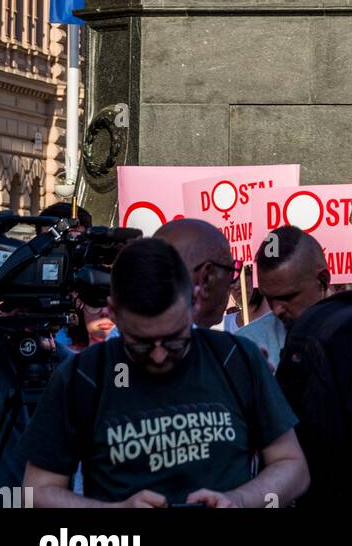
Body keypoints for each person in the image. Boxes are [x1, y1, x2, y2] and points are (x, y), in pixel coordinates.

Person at [20, 237, 308, 508]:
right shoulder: (83, 375)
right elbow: (36, 490)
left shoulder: (237, 357)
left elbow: (292, 465)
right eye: (140, 343)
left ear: (195, 301)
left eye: (174, 339)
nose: (158, 355)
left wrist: (240, 500)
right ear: (113, 312)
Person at [239, 227, 331, 370]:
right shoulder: (248, 345)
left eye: (287, 297)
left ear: (323, 280)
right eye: (269, 298)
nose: (276, 310)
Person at [154, 218, 242, 330]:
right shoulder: (230, 346)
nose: (232, 285)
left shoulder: (130, 337)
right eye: (230, 271)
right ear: (206, 279)